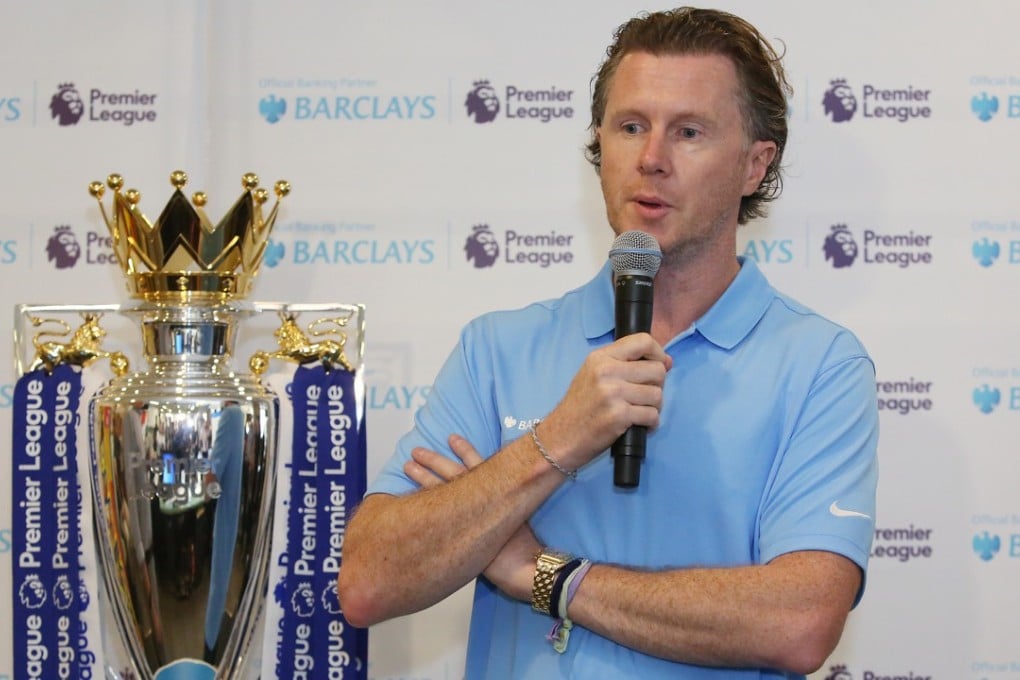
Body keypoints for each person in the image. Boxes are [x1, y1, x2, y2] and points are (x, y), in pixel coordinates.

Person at [338, 7, 879, 679]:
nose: (651, 160)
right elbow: (368, 583)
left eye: (689, 132)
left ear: (753, 164)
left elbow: (798, 625)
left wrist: (545, 574)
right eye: (630, 127)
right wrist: (556, 442)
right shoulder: (497, 349)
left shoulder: (820, 364)